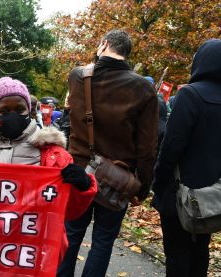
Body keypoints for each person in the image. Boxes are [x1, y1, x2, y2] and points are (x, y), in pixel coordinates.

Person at [0, 77, 97, 265]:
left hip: (31, 253)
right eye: (4, 110)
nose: (12, 115)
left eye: (19, 109)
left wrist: (81, 187)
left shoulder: (53, 154)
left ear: (29, 111)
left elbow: (70, 211)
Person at [58, 30, 158, 277]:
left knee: (70, 233)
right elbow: (147, 147)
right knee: (103, 242)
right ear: (127, 53)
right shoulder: (144, 88)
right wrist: (142, 187)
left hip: (78, 170)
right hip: (118, 176)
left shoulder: (77, 77)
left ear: (103, 45)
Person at [152, 39, 221, 277]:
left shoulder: (189, 95)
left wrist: (158, 186)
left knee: (177, 254)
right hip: (212, 195)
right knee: (200, 250)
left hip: (179, 193)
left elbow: (170, 147)